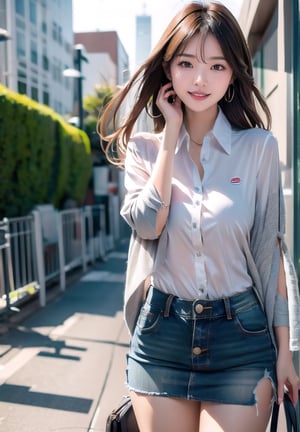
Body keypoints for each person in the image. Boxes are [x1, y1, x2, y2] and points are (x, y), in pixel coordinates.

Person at [99, 2, 300, 431]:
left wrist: (286, 352)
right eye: (187, 63)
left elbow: (270, 255)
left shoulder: (259, 148)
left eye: (216, 65)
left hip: (241, 339)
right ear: (168, 70)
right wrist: (169, 136)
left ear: (232, 75)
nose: (200, 79)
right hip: (161, 336)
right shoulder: (144, 150)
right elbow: (149, 223)